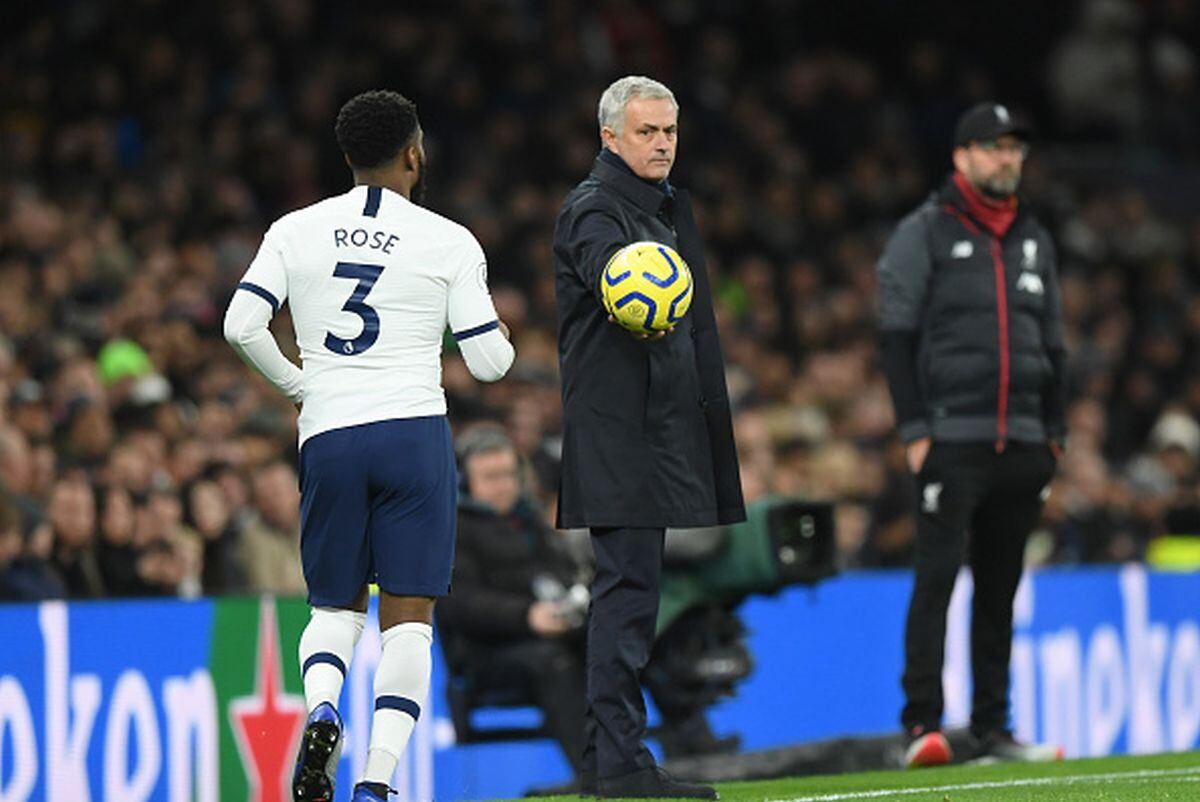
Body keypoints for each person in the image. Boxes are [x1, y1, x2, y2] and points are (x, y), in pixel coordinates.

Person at [224, 90, 515, 802]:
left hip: (330, 431)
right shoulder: (448, 240)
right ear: (414, 154)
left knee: (333, 609)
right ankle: (377, 783)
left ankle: (323, 707)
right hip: (413, 434)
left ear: (347, 156)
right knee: (409, 620)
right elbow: (490, 366)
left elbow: (239, 325)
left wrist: (301, 387)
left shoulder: (294, 228)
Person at [553, 75, 745, 799]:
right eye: (646, 132)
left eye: (668, 131)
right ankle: (622, 767)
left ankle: (613, 764)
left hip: (650, 430)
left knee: (631, 599)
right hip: (619, 435)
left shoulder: (657, 207)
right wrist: (629, 286)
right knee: (626, 601)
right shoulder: (595, 209)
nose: (662, 143)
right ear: (609, 137)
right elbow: (611, 271)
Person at [877, 102, 1067, 767]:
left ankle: (992, 728)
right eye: (993, 147)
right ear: (961, 158)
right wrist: (915, 430)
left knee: (1000, 588)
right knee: (935, 582)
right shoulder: (923, 232)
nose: (1007, 158)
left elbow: (1056, 346)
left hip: (1023, 442)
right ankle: (921, 726)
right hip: (952, 438)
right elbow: (895, 336)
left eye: (1015, 148)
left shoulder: (1034, 239)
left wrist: (1056, 436)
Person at [435, 424, 590, 793]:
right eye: (490, 477)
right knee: (553, 662)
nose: (502, 485)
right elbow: (461, 605)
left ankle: (662, 746)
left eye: (507, 474)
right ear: (464, 481)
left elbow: (564, 571)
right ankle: (593, 772)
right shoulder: (451, 528)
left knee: (612, 642)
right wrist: (528, 616)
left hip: (551, 635)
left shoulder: (530, 518)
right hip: (485, 657)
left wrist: (573, 601)